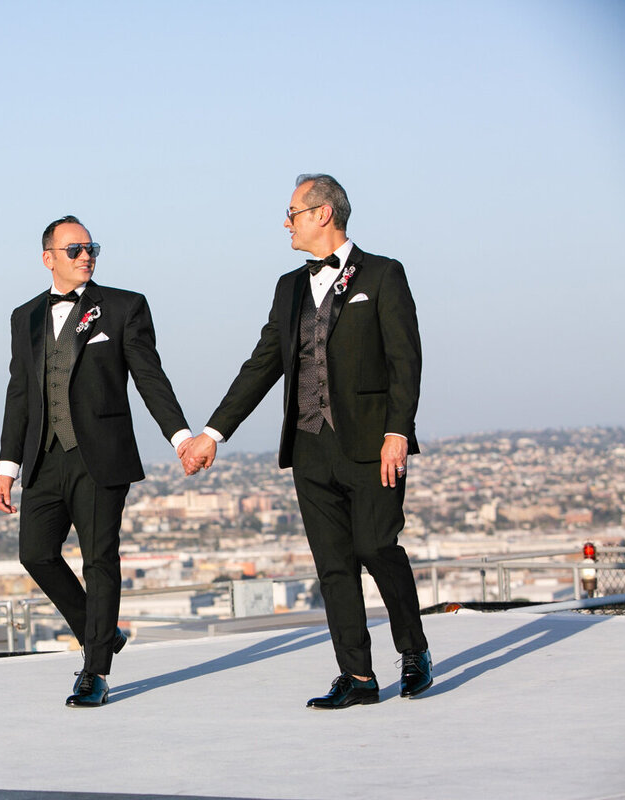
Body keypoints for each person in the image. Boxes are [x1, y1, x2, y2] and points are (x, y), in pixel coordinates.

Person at [182, 175, 432, 708]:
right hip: (309, 445)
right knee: (334, 564)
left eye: (292, 212)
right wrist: (213, 432)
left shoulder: (385, 275)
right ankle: (358, 677)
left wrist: (398, 432)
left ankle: (413, 650)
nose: (286, 223)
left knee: (376, 547)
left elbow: (405, 360)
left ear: (323, 214)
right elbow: (263, 364)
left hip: (372, 443)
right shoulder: (287, 287)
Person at [0, 215, 194, 707]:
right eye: (75, 249)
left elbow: (150, 377)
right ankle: (101, 631)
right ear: (49, 259)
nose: (87, 256)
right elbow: (20, 392)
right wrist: (7, 465)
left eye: (91, 248)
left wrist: (181, 436)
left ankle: (95, 671)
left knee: (99, 560)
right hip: (44, 458)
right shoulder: (25, 317)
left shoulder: (124, 308)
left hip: (101, 457)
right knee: (35, 554)